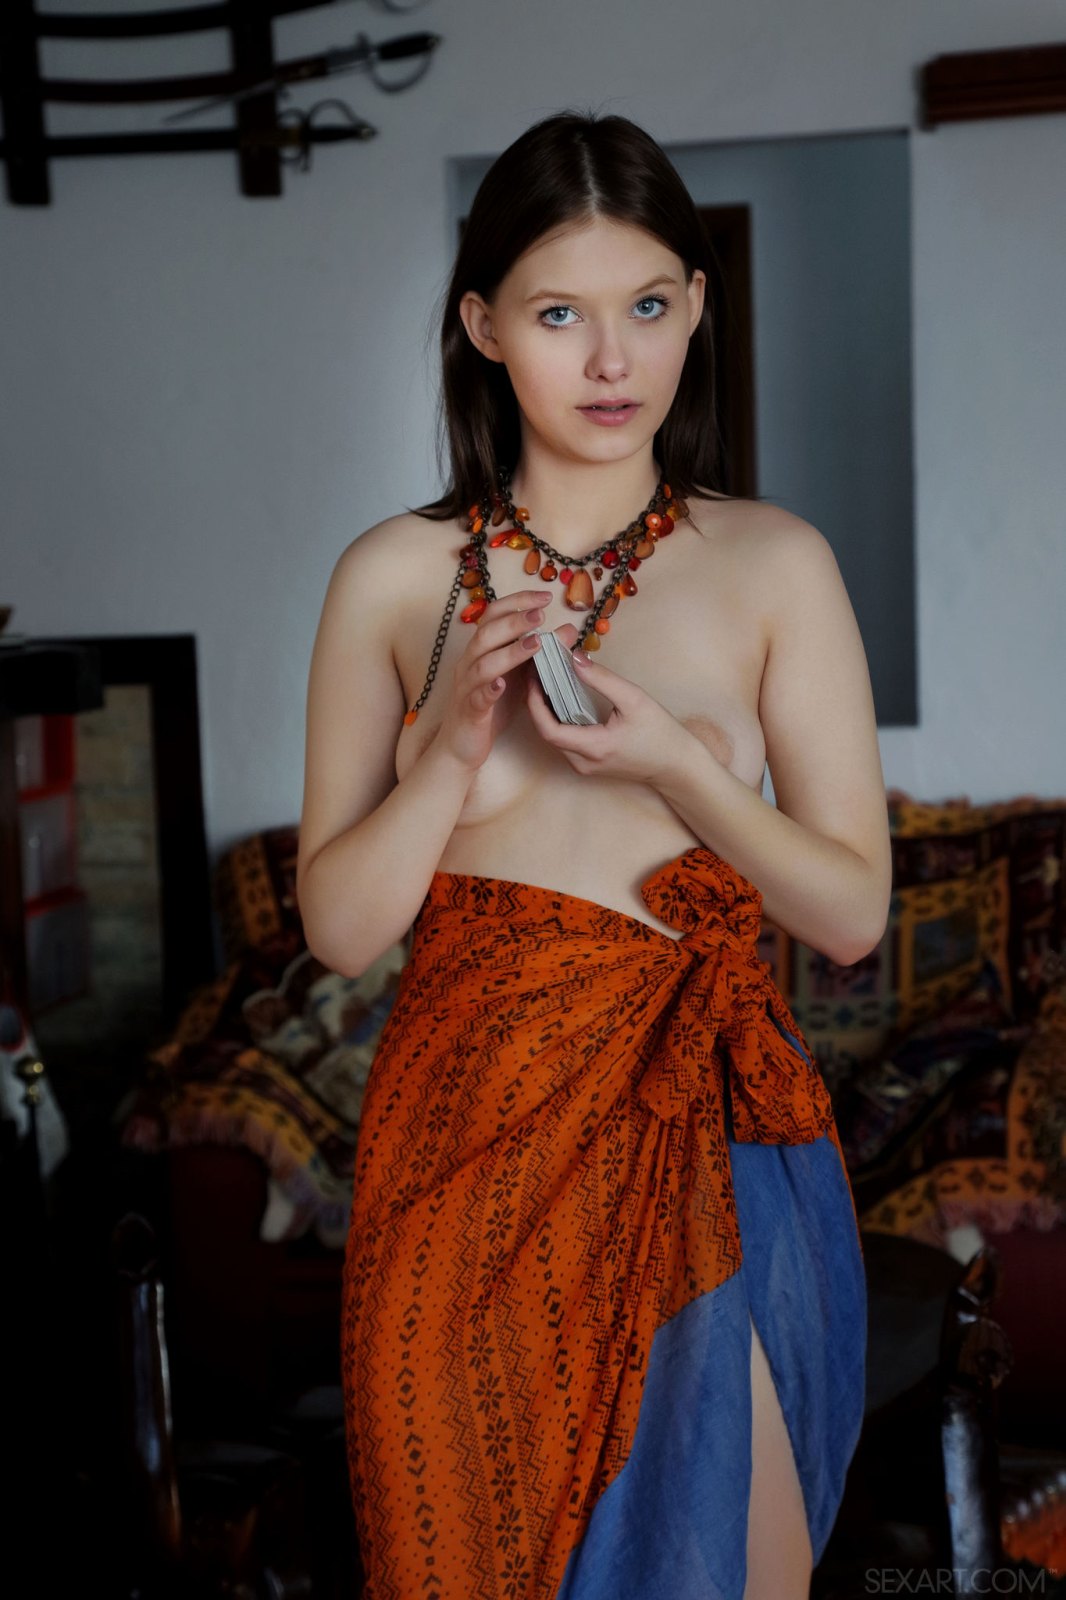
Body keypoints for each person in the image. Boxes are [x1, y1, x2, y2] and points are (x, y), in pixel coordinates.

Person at [297, 109, 892, 1600]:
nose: (611, 360)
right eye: (559, 314)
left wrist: (676, 765)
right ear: (483, 327)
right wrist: (448, 745)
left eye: (648, 306)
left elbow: (848, 915)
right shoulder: (394, 577)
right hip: (457, 1162)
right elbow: (341, 930)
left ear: (698, 306)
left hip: (701, 1139)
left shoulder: (775, 564)